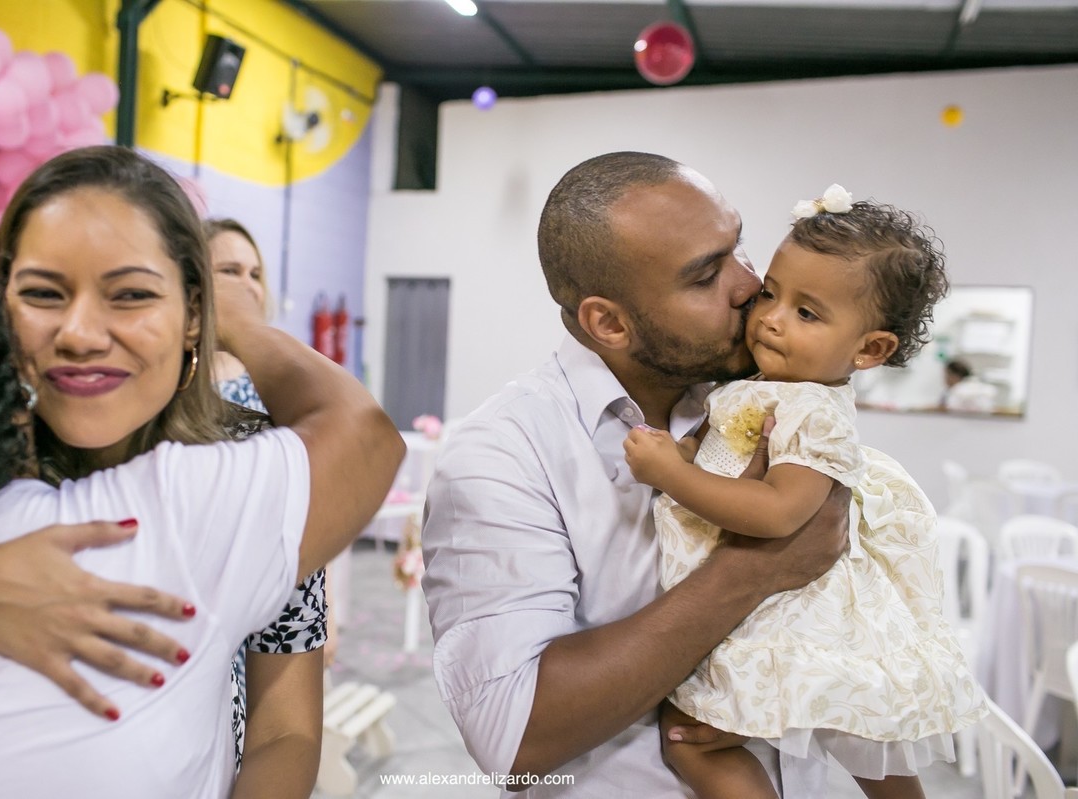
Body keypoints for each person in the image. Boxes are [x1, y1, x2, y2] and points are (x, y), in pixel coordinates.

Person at [0, 203, 404, 797]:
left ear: (193, 315)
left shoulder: (249, 463)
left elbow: (286, 730)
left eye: (130, 295)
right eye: (45, 293)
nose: (81, 333)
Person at [421, 152, 851, 797]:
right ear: (610, 323)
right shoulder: (502, 454)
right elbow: (514, 736)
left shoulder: (767, 395)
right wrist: (755, 567)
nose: (749, 285)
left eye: (739, 247)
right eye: (706, 275)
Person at [623, 186, 986, 799]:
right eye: (770, 293)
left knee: (693, 738)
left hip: (786, 615)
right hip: (756, 601)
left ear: (870, 349)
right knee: (859, 737)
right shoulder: (762, 387)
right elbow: (722, 461)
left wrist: (672, 476)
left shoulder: (814, 412)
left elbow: (780, 511)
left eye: (807, 313)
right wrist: (684, 454)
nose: (770, 317)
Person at [203, 216, 334, 775]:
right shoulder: (174, 389)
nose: (247, 284)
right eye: (229, 271)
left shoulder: (274, 382)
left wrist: (319, 615)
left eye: (255, 273)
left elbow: (317, 495)